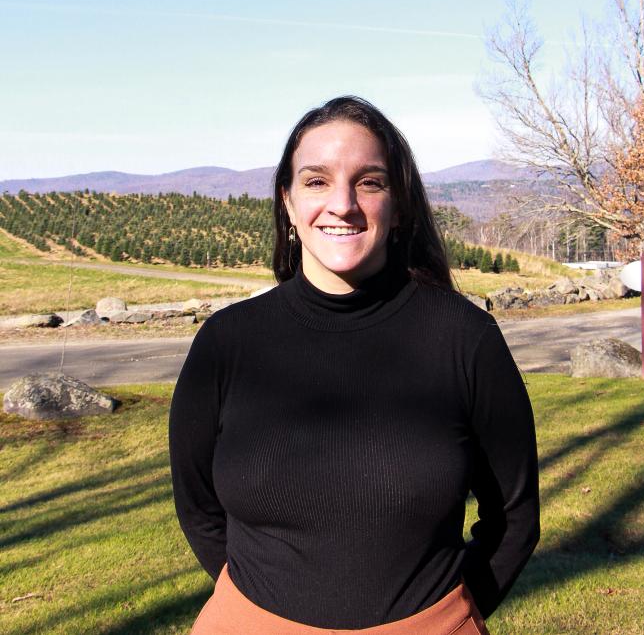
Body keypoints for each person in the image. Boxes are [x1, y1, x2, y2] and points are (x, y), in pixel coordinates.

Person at [169, 96, 539, 635]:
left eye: (369, 182)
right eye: (316, 181)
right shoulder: (226, 344)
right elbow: (198, 507)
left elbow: (513, 517)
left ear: (400, 205)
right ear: (289, 204)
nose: (342, 203)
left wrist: (453, 618)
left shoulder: (466, 339)